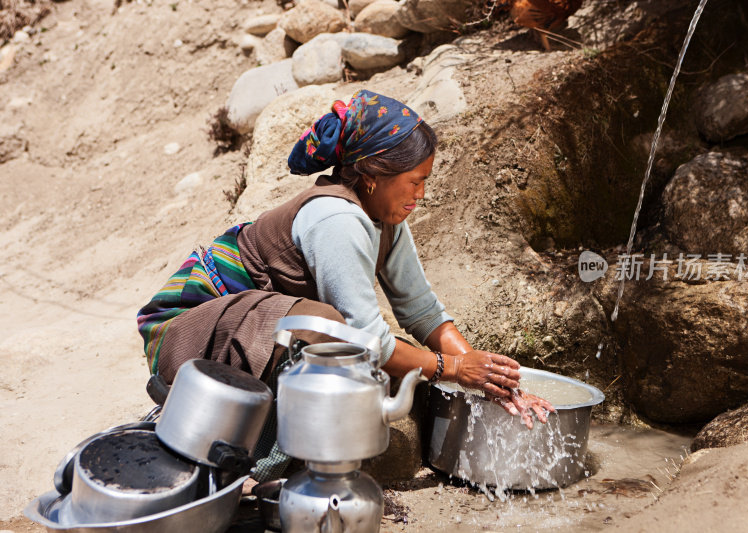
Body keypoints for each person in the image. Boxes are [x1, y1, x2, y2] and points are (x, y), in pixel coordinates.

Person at [137, 89, 554, 481]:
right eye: (414, 180)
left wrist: (489, 376)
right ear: (373, 174)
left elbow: (422, 309)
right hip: (189, 336)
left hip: (249, 333)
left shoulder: (385, 216)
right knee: (328, 329)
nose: (421, 194)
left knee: (377, 362)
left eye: (425, 180)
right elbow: (361, 335)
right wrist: (454, 369)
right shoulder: (337, 220)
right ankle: (254, 470)